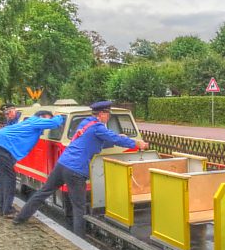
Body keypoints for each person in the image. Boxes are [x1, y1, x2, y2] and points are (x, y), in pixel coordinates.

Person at [13, 100, 149, 236]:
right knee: (79, 207)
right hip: (76, 170)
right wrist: (137, 144)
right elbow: (113, 139)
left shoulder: (85, 123)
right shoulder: (98, 128)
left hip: (62, 163)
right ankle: (79, 238)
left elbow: (97, 140)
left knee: (43, 192)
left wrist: (118, 137)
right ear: (102, 114)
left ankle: (20, 218)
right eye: (108, 114)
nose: (109, 117)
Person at [0, 109, 65, 219]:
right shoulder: (35, 121)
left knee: (3, 179)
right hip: (1, 147)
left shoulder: (32, 123)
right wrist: (59, 116)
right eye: (48, 118)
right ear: (43, 116)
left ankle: (3, 209)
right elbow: (54, 123)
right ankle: (7, 210)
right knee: (9, 179)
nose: (47, 122)